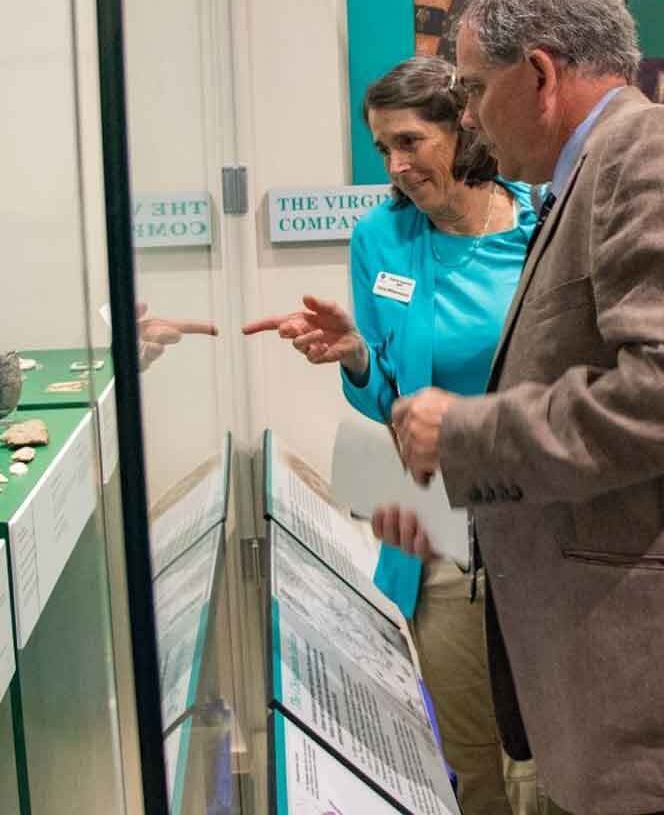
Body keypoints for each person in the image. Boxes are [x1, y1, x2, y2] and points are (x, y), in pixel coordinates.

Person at [389, 0, 664, 815]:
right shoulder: (589, 170)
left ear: (539, 74)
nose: (467, 118)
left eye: (471, 89)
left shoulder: (637, 155)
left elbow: (656, 391)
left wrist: (467, 434)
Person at [244, 55, 539, 815]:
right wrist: (354, 356)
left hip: (547, 522)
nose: (397, 166)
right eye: (383, 149)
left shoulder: (544, 219)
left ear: (462, 128)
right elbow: (394, 403)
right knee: (468, 763)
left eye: (410, 142)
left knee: (547, 761)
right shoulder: (381, 238)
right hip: (442, 536)